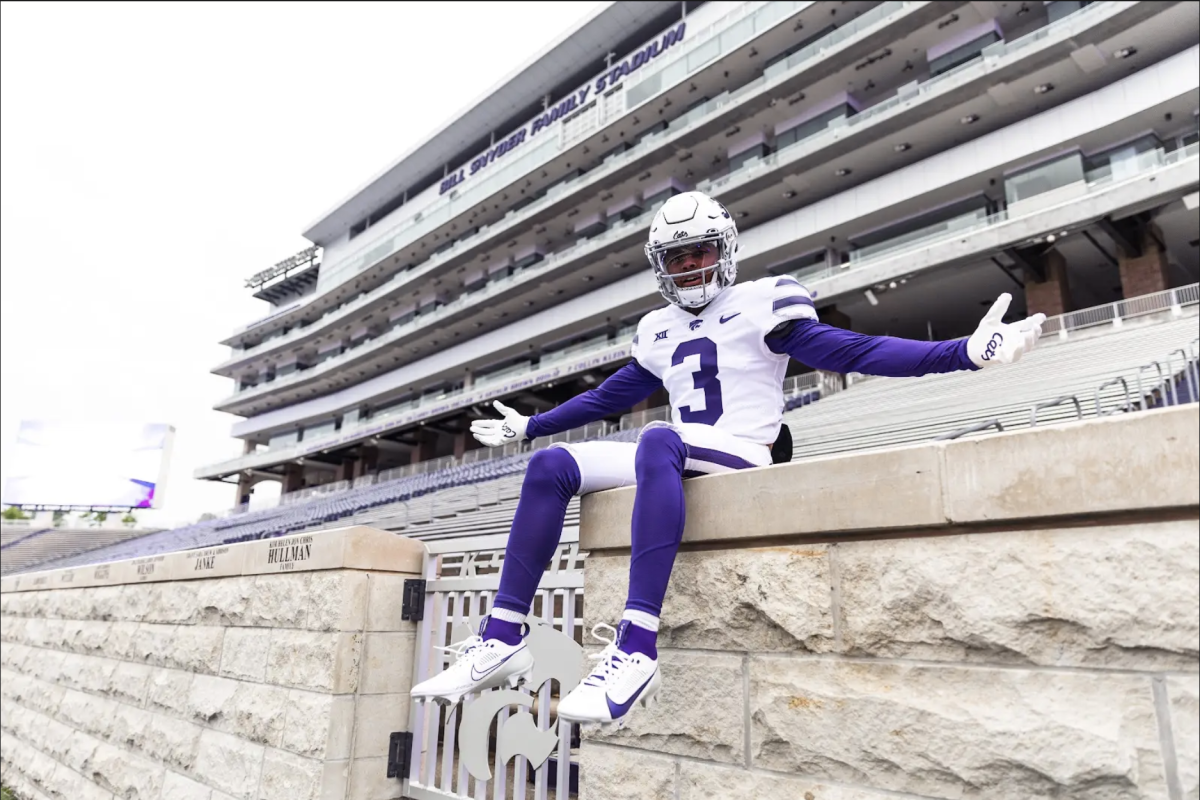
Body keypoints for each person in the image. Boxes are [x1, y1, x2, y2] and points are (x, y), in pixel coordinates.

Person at [409, 191, 1046, 727]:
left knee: (659, 438)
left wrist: (962, 352)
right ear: (659, 266)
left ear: (725, 250)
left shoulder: (763, 300)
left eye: (700, 252)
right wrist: (533, 425)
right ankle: (502, 637)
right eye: (676, 258)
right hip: (681, 456)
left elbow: (852, 350)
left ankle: (636, 647)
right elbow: (613, 395)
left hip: (743, 453)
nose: (689, 267)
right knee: (551, 468)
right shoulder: (656, 329)